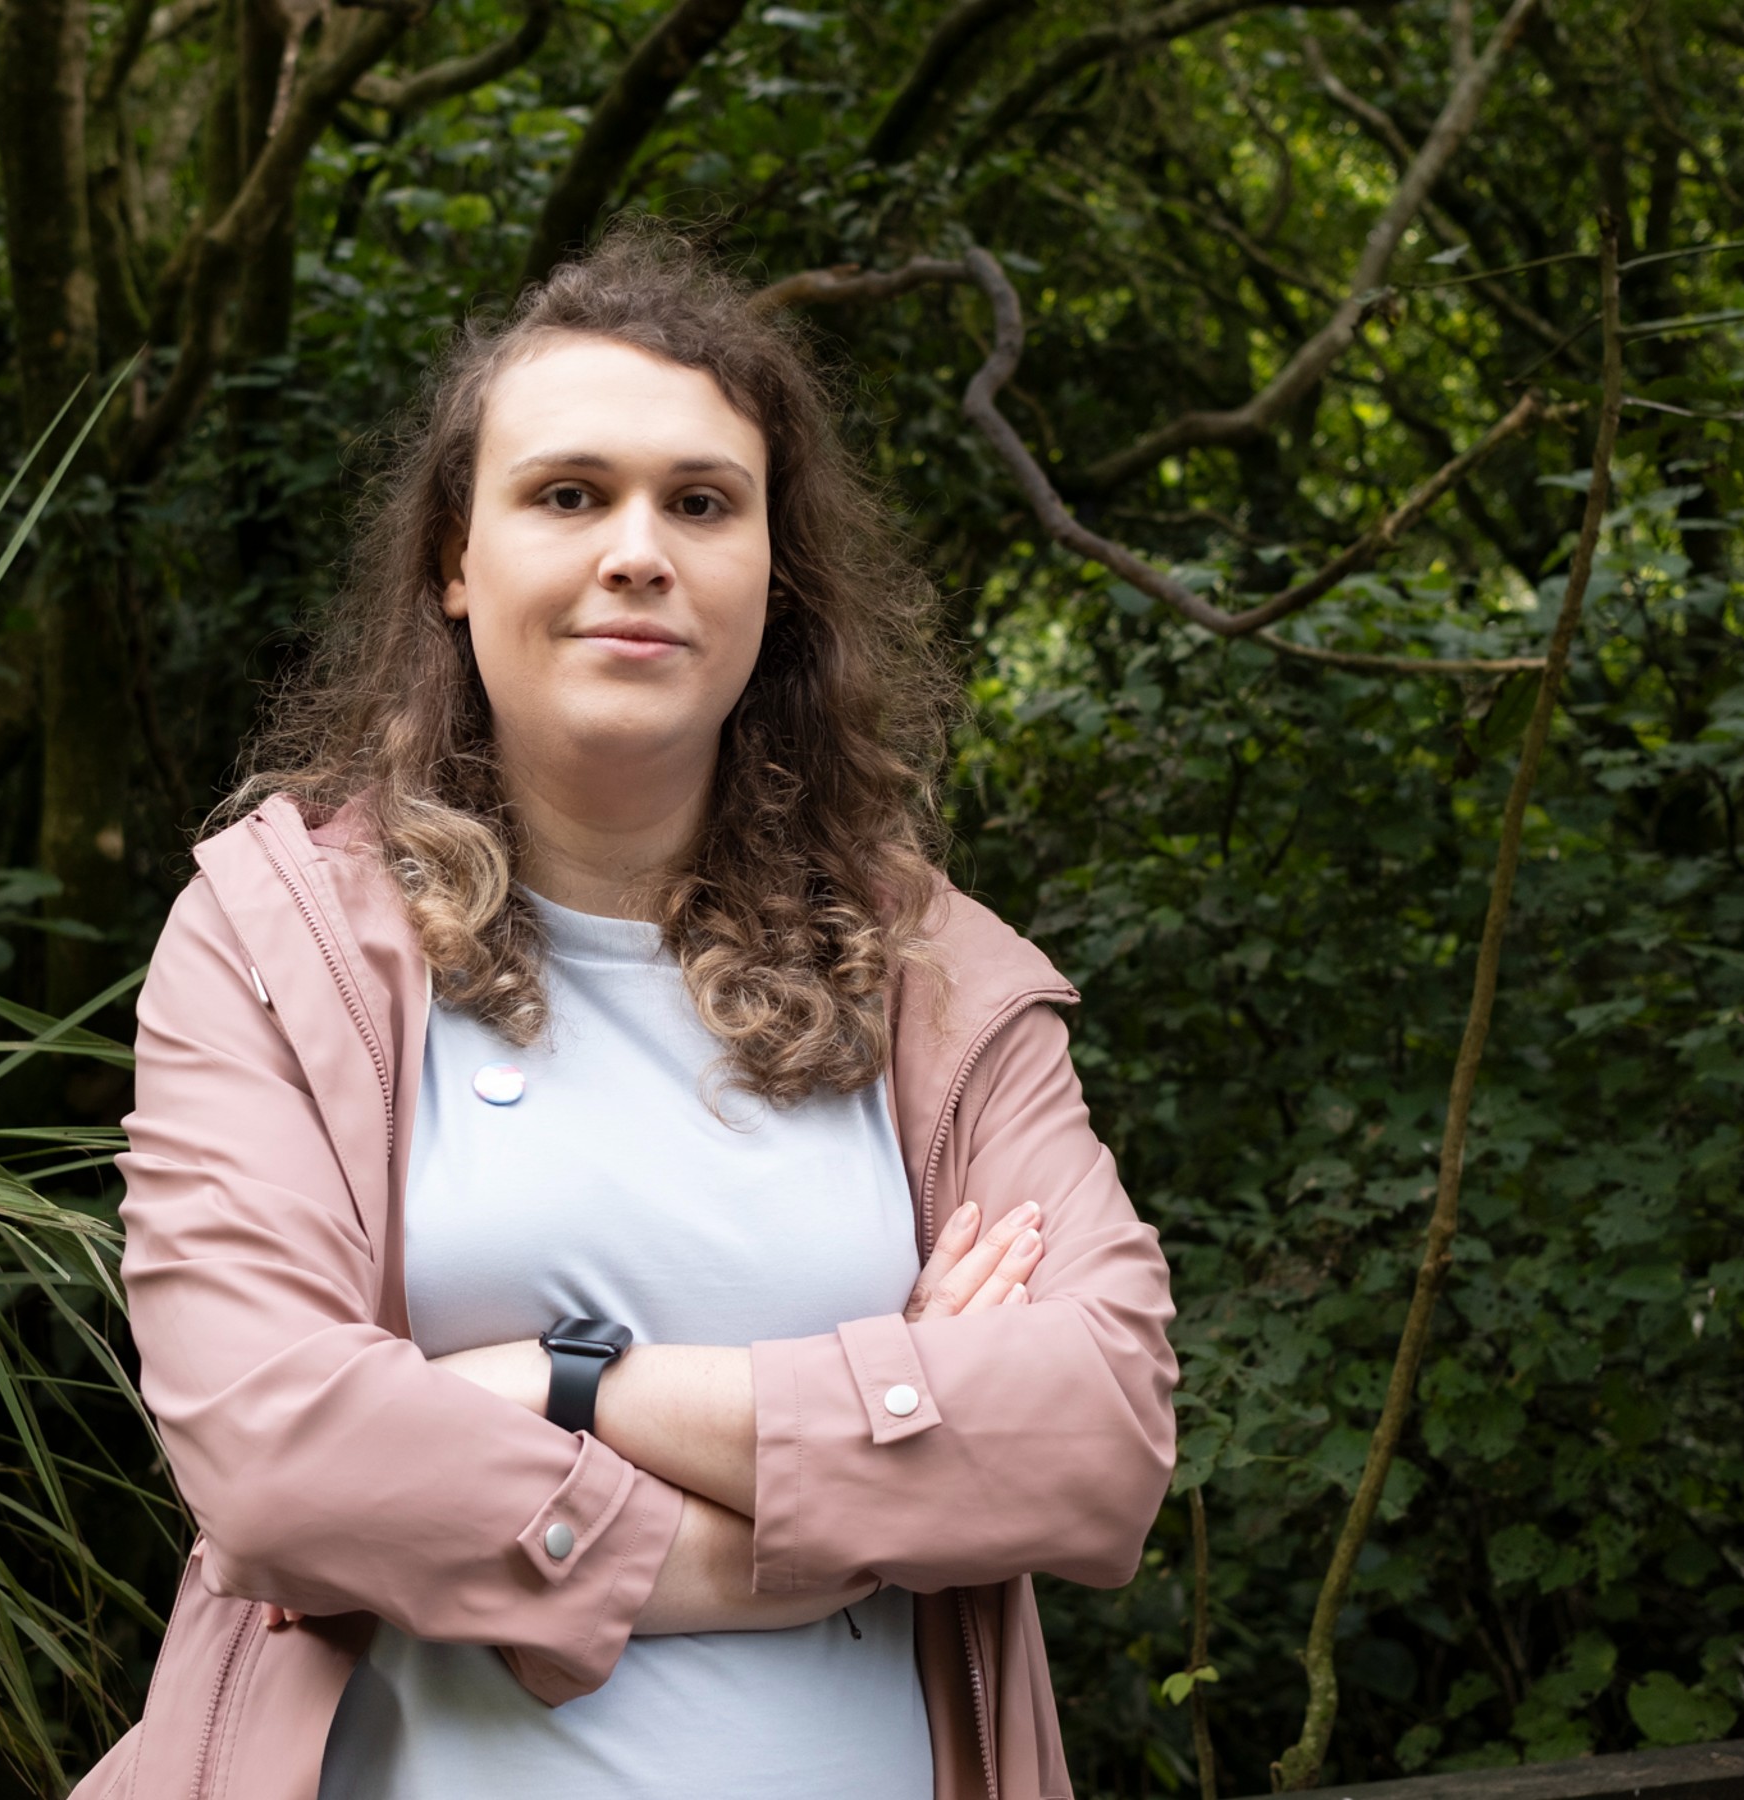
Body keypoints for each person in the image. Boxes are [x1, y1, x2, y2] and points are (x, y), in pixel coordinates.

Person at [85, 226, 1179, 1800]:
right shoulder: (278, 944)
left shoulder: (930, 972)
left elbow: (1097, 1434)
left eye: (702, 502)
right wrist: (816, 1527)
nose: (638, 550)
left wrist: (569, 1382)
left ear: (773, 577)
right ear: (455, 567)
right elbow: (278, 1461)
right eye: (568, 493)